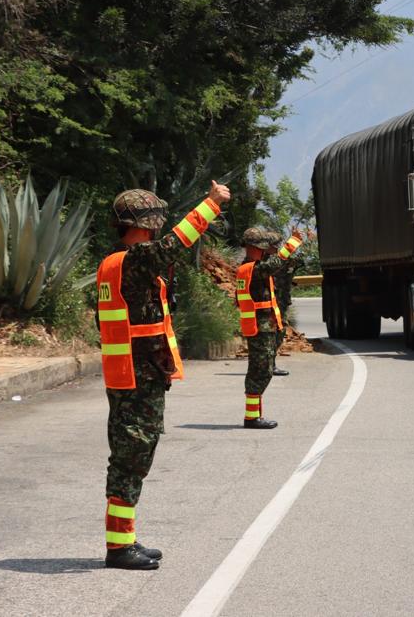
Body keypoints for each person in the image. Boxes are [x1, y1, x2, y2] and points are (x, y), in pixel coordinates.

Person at [98, 181, 230, 571]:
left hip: (135, 374)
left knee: (133, 455)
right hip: (135, 377)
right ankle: (119, 548)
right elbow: (176, 244)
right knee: (131, 457)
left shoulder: (116, 262)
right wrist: (211, 205)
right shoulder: (135, 260)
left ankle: (124, 540)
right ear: (147, 224)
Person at [236, 226, 305, 428]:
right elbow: (277, 262)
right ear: (255, 247)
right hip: (259, 327)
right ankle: (251, 418)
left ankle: (253, 415)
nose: (266, 251)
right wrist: (293, 242)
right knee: (260, 371)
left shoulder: (253, 266)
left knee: (261, 370)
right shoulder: (252, 268)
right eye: (263, 248)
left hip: (261, 325)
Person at [270, 231, 306, 376]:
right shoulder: (272, 262)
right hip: (272, 302)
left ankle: (269, 363)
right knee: (273, 332)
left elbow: (299, 259)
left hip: (281, 301)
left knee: (279, 331)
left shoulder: (284, 260)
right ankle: (269, 365)